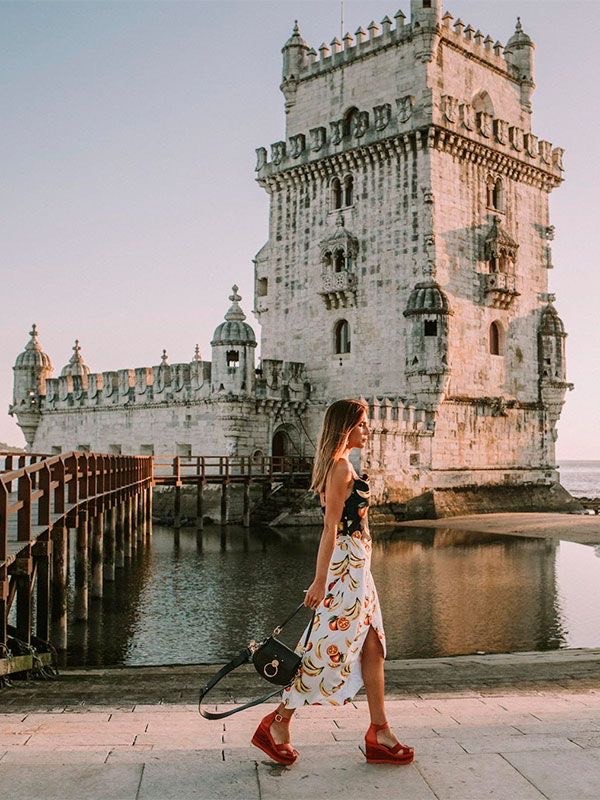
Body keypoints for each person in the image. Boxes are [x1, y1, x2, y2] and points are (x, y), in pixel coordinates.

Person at [251, 398, 414, 766]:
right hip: (345, 571)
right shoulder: (340, 468)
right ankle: (278, 721)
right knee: (327, 647)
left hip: (358, 569)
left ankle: (379, 732)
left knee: (373, 646)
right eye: (362, 424)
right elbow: (329, 529)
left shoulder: (343, 465)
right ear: (346, 428)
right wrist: (320, 581)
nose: (367, 430)